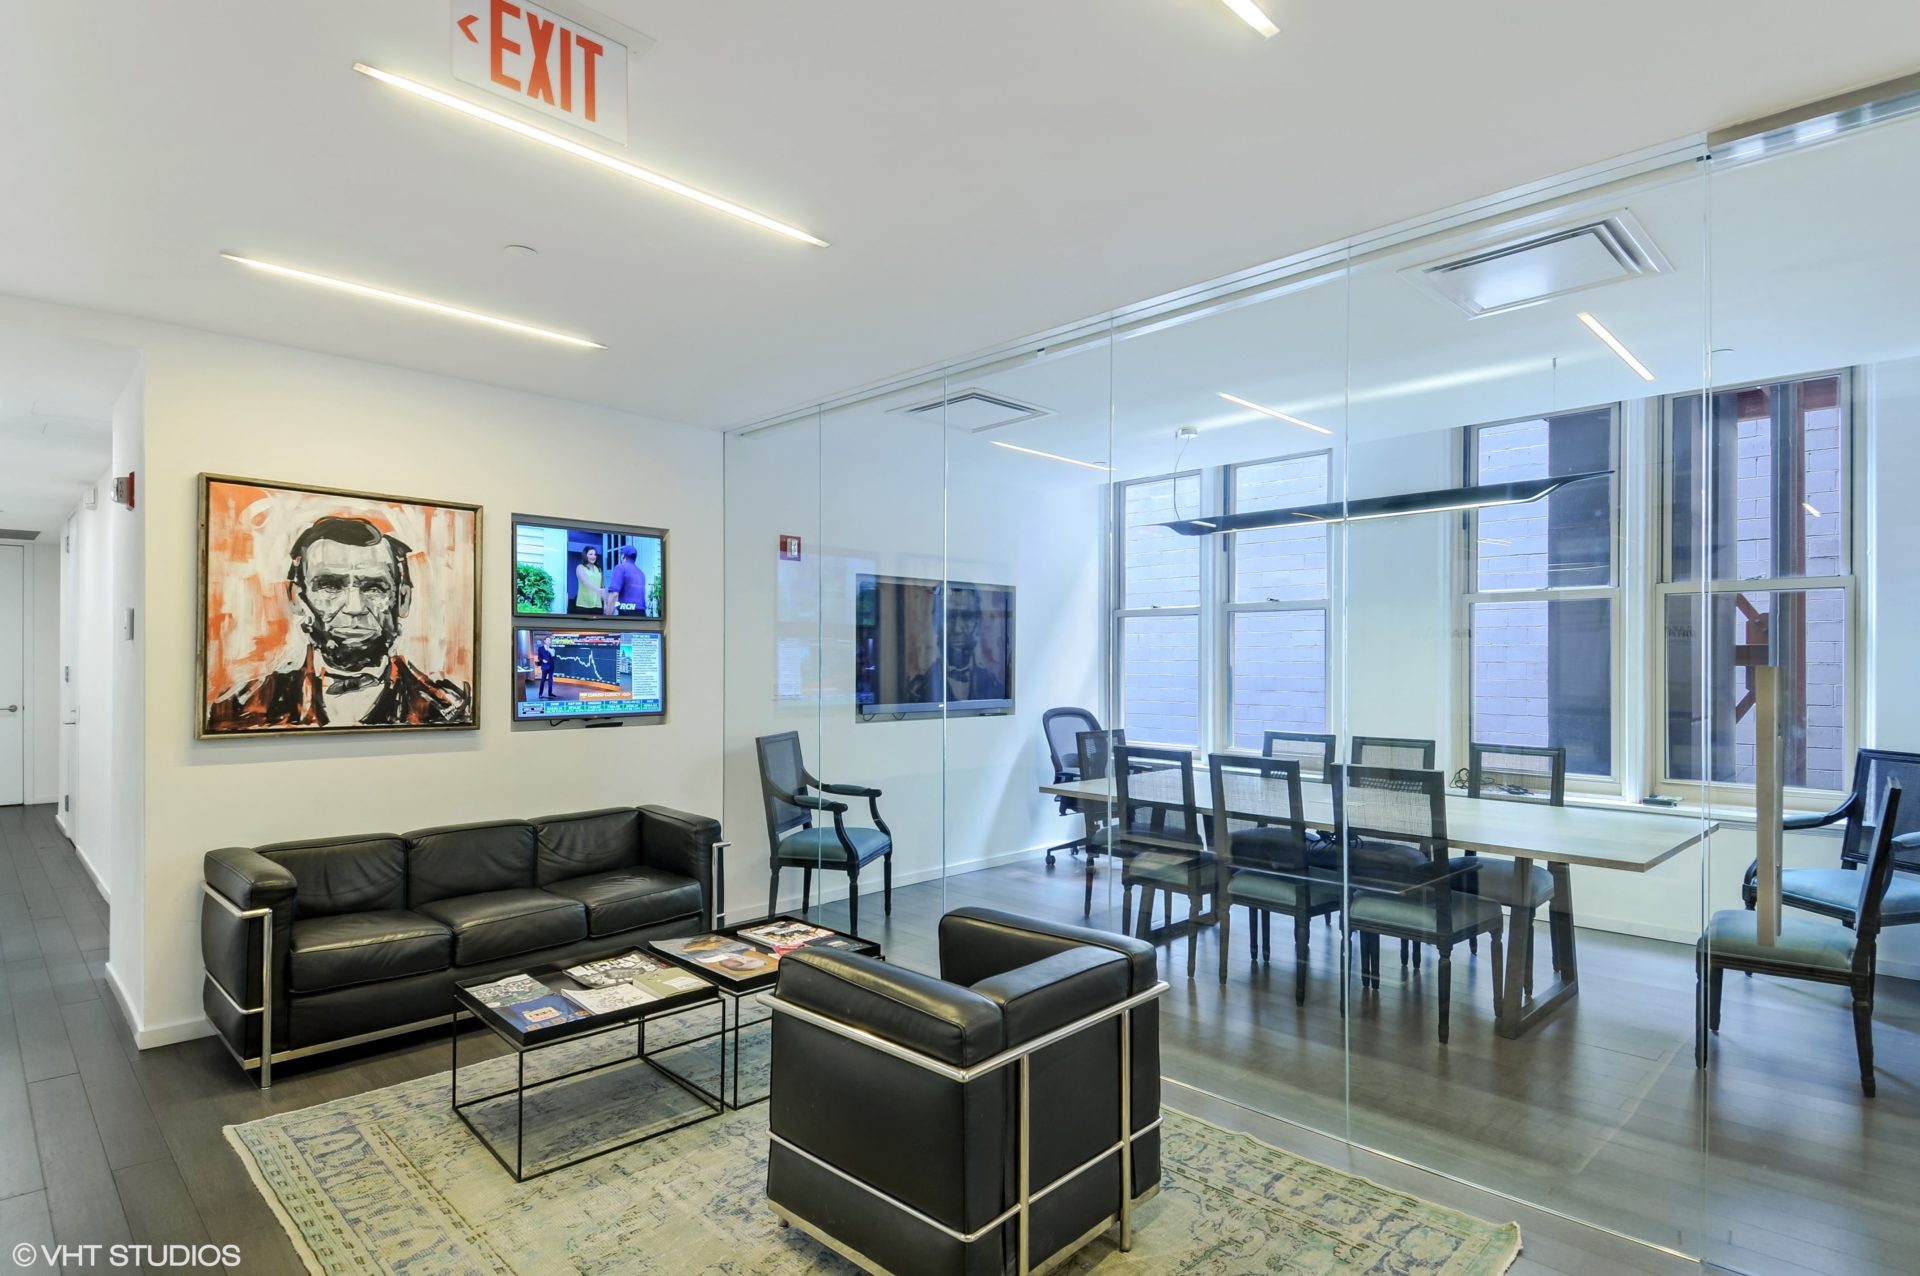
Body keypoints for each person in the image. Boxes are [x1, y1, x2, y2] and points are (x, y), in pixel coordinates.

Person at [207, 516, 471, 730]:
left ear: (403, 599)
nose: (354, 608)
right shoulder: (242, 708)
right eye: (330, 586)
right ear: (297, 597)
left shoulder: (448, 708)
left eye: (374, 588)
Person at [903, 584, 1006, 705]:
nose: (958, 629)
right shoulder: (917, 691)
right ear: (936, 624)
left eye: (966, 617)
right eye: (950, 617)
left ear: (977, 624)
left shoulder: (995, 688)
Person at [602, 543, 650, 617]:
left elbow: (614, 594)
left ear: (623, 556)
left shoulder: (620, 568)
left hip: (627, 613)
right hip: (642, 614)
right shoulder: (641, 573)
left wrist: (607, 615)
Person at [573, 546, 603, 614]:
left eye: (595, 554)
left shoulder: (598, 569)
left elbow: (601, 586)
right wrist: (597, 590)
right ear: (585, 555)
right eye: (590, 554)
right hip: (583, 605)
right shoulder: (580, 567)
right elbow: (585, 581)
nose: (593, 556)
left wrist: (606, 602)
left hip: (597, 605)